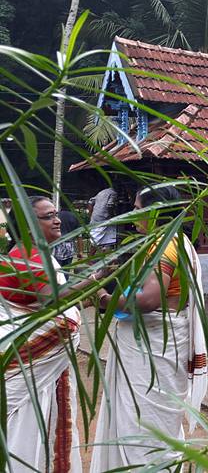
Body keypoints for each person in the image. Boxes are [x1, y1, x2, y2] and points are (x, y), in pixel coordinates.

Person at [90, 185, 208, 470]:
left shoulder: (164, 245)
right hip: (165, 340)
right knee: (156, 424)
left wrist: (104, 299)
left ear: (155, 212)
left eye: (137, 207)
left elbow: (149, 300)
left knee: (143, 425)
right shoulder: (180, 241)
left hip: (155, 342)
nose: (132, 214)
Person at [0, 196, 107, 473]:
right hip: (23, 366)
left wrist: (97, 296)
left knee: (38, 422)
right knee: (24, 425)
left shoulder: (37, 254)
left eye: (55, 214)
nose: (57, 219)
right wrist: (98, 276)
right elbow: (53, 300)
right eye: (48, 216)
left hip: (36, 365)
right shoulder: (27, 256)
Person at [88, 187, 118, 252]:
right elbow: (110, 205)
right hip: (102, 219)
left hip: (96, 218)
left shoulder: (102, 192)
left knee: (107, 239)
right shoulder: (113, 193)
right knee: (96, 240)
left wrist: (91, 215)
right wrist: (112, 216)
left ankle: (107, 256)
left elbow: (90, 202)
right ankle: (90, 259)